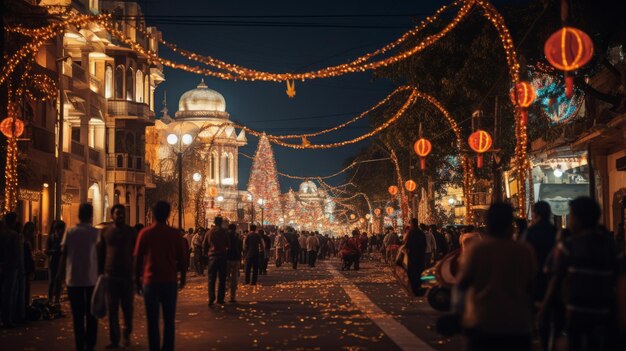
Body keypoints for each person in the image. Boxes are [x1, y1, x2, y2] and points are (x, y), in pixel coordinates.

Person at [539, 197, 617, 351]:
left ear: (579, 219)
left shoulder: (568, 246)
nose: (570, 220)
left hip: (575, 314)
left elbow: (555, 278)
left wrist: (544, 307)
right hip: (605, 314)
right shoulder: (610, 246)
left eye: (571, 216)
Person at [456, 203, 536, 351]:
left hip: (484, 321)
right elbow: (531, 286)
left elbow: (462, 285)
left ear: (488, 223)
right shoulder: (524, 250)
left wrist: (459, 316)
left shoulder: (477, 250)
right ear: (510, 223)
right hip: (518, 324)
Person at [134, 201, 186, 351]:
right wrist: (182, 278)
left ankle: (154, 347)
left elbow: (137, 259)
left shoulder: (145, 233)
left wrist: (137, 281)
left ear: (153, 213)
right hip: (169, 281)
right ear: (168, 214)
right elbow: (182, 259)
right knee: (169, 320)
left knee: (152, 320)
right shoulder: (175, 234)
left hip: (150, 281)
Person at [60, 204, 99, 351]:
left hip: (73, 279)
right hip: (91, 278)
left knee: (77, 316)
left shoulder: (70, 232)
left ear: (79, 215)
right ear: (91, 215)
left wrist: (59, 275)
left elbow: (64, 255)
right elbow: (100, 256)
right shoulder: (95, 233)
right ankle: (90, 344)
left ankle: (79, 345)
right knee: (91, 314)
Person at [97, 205, 137, 349]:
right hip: (110, 276)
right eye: (117, 213)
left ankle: (127, 334)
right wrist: (100, 274)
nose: (120, 216)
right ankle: (114, 339)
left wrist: (136, 275)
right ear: (112, 214)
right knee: (112, 310)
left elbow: (136, 254)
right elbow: (100, 254)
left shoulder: (130, 232)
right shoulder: (106, 232)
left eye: (122, 213)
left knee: (127, 309)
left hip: (126, 277)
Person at [522, 201, 557, 351]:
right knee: (553, 316)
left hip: (536, 279)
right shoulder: (556, 231)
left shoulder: (531, 232)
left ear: (536, 214)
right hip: (554, 278)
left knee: (537, 315)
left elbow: (524, 257)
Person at [203, 217, 229, 306]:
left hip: (212, 257)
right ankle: (220, 298)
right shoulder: (224, 232)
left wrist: (206, 254)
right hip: (222, 256)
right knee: (222, 279)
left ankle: (211, 298)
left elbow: (204, 245)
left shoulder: (209, 232)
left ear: (214, 222)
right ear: (221, 222)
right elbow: (227, 243)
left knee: (211, 279)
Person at [0, 212, 21, 328]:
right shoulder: (13, 235)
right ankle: (7, 318)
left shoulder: (2, 234)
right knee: (9, 293)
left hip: (3, 265)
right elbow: (16, 252)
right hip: (11, 266)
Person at [404, 219, 427, 295]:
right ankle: (420, 287)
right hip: (421, 256)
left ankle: (415, 289)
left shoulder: (412, 233)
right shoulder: (421, 233)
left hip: (413, 256)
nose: (410, 225)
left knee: (412, 272)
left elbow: (408, 244)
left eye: (410, 224)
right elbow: (425, 244)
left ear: (413, 224)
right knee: (420, 271)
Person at [46, 220, 66, 305]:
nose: (61, 231)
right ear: (56, 229)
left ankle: (57, 299)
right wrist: (55, 251)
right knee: (52, 281)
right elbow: (46, 251)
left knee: (59, 281)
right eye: (60, 229)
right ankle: (50, 298)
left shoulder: (64, 239)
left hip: (61, 262)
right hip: (53, 261)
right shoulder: (51, 238)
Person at [225, 223, 241, 303]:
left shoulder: (225, 236)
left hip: (227, 258)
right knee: (234, 278)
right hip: (236, 258)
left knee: (226, 276)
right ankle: (232, 297)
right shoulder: (237, 237)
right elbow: (240, 248)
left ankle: (224, 292)